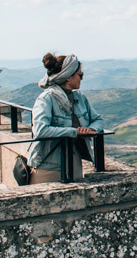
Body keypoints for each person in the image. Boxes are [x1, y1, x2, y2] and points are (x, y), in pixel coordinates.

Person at [28, 52, 103, 184]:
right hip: (49, 167)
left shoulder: (80, 98)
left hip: (74, 162)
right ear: (68, 77)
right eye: (80, 75)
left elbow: (98, 120)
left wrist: (90, 129)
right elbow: (40, 130)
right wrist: (74, 132)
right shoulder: (47, 98)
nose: (82, 78)